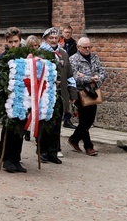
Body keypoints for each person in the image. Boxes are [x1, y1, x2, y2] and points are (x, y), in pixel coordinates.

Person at [38, 27, 77, 164]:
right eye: (51, 38)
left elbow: (70, 74)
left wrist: (73, 93)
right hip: (46, 94)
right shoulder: (40, 54)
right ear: (45, 39)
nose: (54, 41)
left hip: (61, 94)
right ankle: (42, 150)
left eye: (56, 38)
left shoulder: (63, 53)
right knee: (46, 123)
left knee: (57, 125)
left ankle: (53, 151)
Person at [0, 27, 28, 173]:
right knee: (9, 128)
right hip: (8, 99)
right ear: (6, 42)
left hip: (23, 97)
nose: (13, 45)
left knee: (20, 128)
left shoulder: (27, 58)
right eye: (10, 42)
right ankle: (7, 157)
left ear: (20, 41)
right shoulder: (1, 59)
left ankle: (16, 158)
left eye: (16, 41)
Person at [68, 37, 106, 156]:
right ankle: (88, 146)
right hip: (80, 92)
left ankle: (74, 139)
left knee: (90, 120)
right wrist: (88, 78)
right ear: (78, 47)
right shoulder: (73, 59)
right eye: (85, 47)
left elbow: (103, 72)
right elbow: (73, 76)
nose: (88, 49)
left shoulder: (94, 57)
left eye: (89, 46)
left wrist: (96, 80)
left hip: (93, 92)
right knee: (84, 120)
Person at [60, 24, 78, 129]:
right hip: (61, 72)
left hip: (70, 71)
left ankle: (67, 119)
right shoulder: (58, 43)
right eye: (66, 32)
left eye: (70, 32)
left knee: (70, 96)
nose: (68, 34)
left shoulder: (73, 44)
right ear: (62, 32)